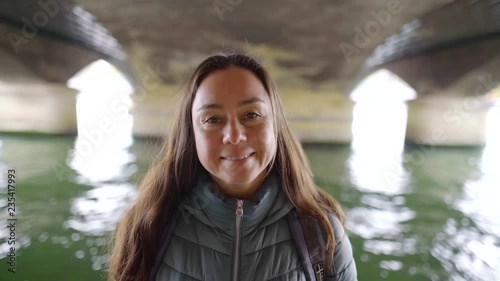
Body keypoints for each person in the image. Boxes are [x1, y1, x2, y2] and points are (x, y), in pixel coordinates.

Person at [108, 51, 357, 281]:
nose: (234, 136)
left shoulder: (322, 232)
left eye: (251, 115)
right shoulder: (149, 225)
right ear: (191, 134)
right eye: (213, 119)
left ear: (276, 125)